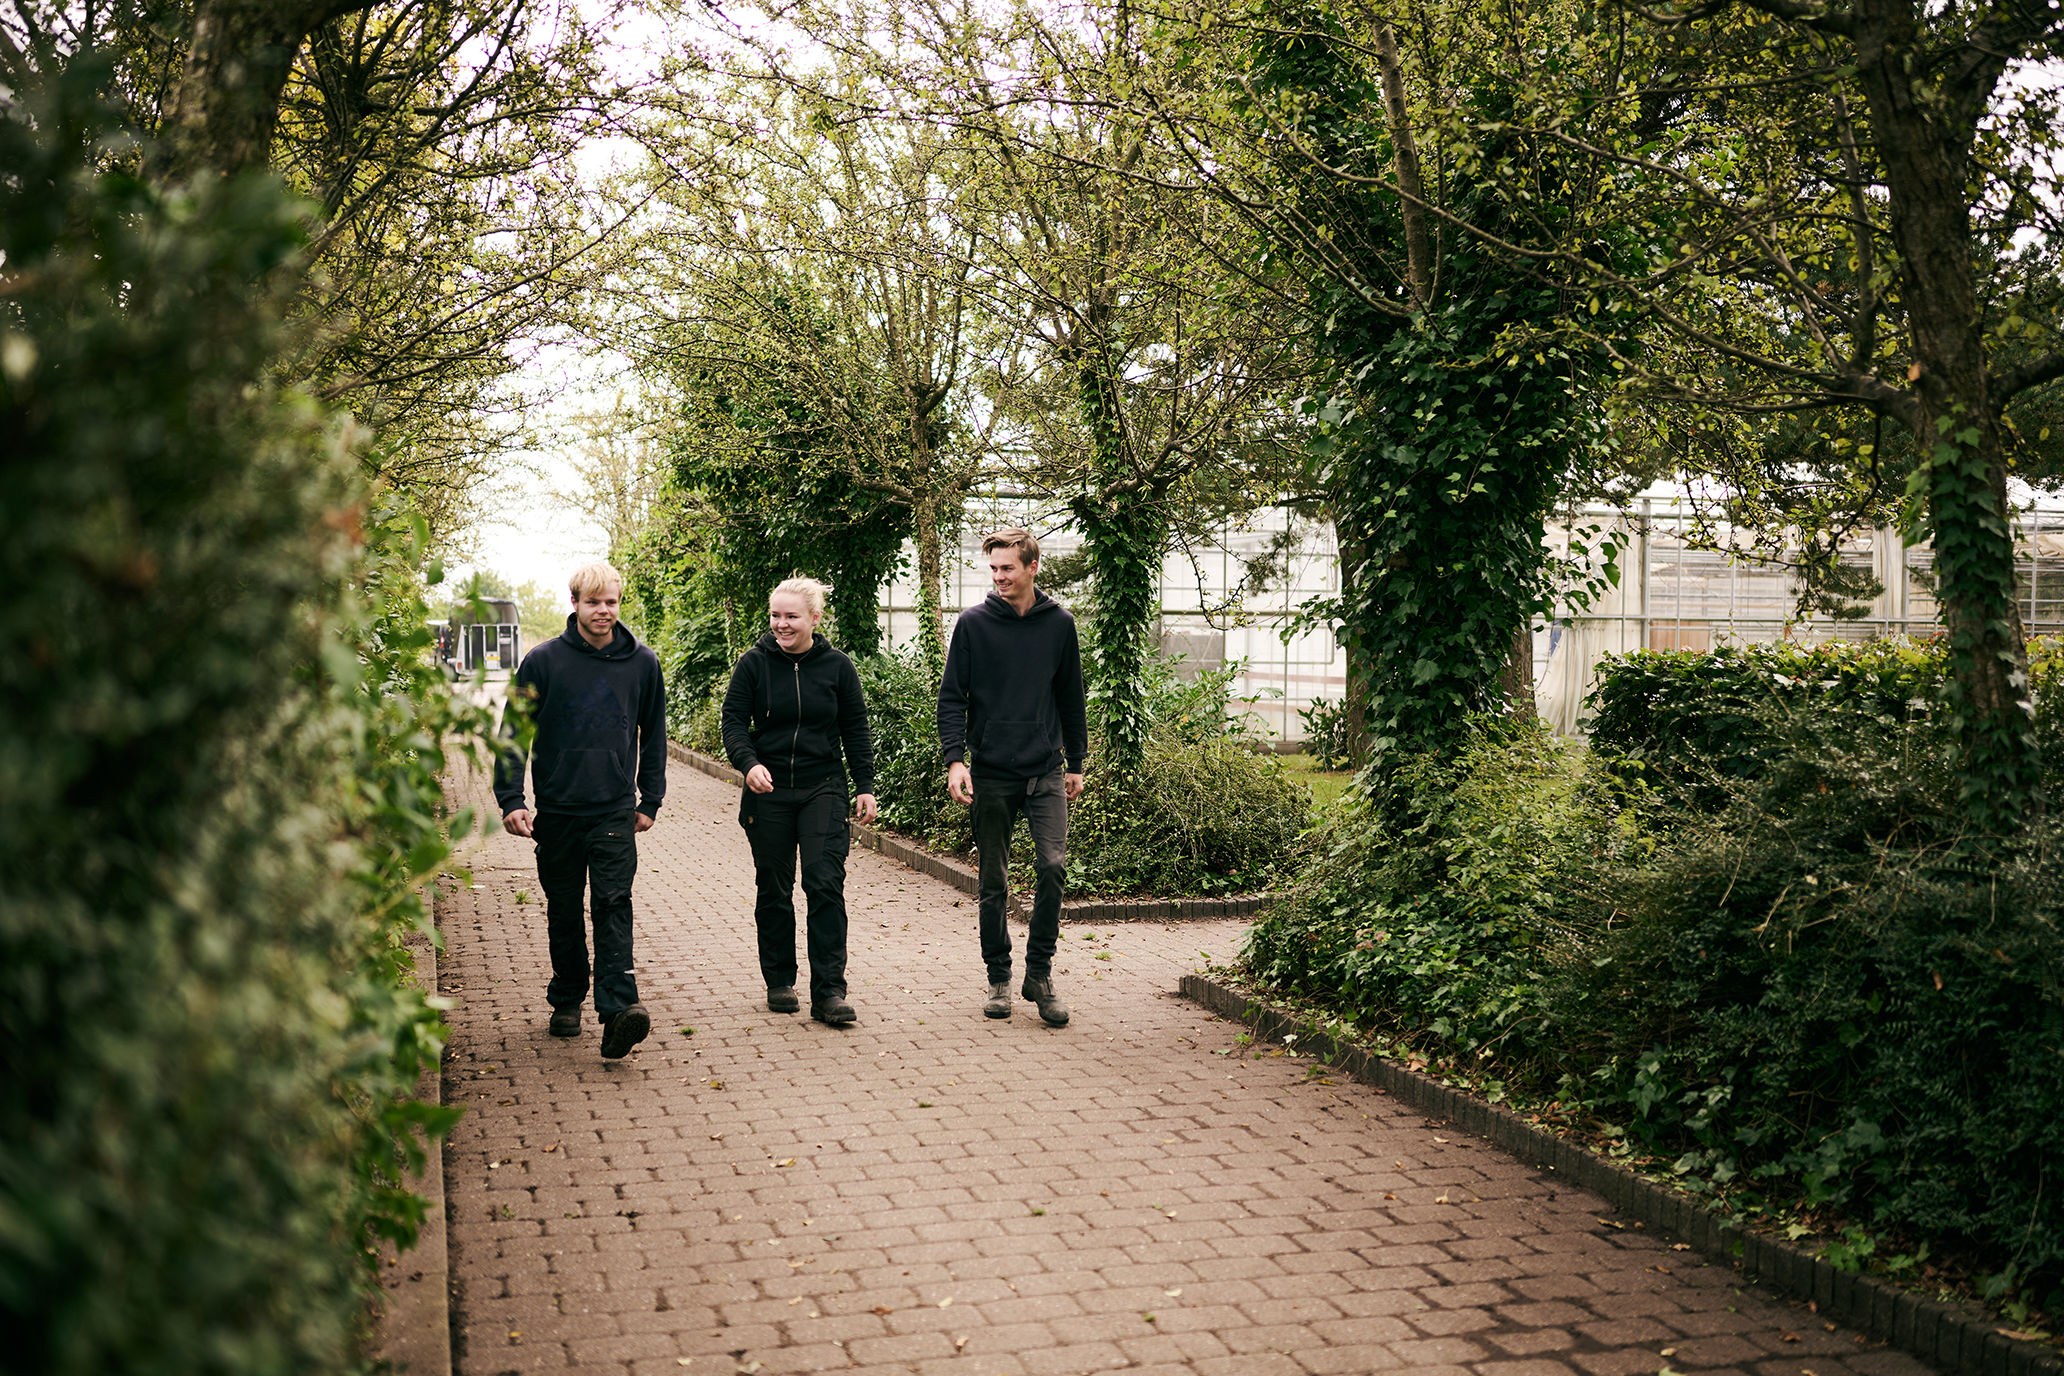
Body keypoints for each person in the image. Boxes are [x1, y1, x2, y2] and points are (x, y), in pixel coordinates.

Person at [493, 562, 666, 1059]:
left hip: (614, 811)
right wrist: (512, 799)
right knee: (564, 908)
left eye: (611, 602)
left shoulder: (643, 664)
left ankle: (619, 1011)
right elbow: (513, 736)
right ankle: (567, 997)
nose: (603, 611)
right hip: (559, 810)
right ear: (575, 604)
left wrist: (649, 798)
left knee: (614, 904)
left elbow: (654, 736)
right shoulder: (543, 662)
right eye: (593, 602)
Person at [936, 528, 1088, 1027]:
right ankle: (999, 978)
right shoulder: (974, 624)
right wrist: (956, 760)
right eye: (994, 568)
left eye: (1008, 567)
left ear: (1032, 567)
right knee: (993, 881)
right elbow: (952, 697)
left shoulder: (1059, 625)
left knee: (1052, 868)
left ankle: (1038, 974)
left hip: (1045, 771)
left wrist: (1077, 762)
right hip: (993, 773)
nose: (999, 577)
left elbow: (1071, 698)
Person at [720, 576, 878, 1027]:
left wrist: (864, 785)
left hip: (822, 786)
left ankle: (829, 990)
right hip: (767, 790)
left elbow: (856, 729)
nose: (781, 625)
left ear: (814, 618)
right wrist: (748, 764)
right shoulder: (753, 664)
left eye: (791, 616)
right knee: (773, 887)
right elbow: (733, 721)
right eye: (775, 615)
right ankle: (779, 980)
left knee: (824, 882)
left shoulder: (838, 667)